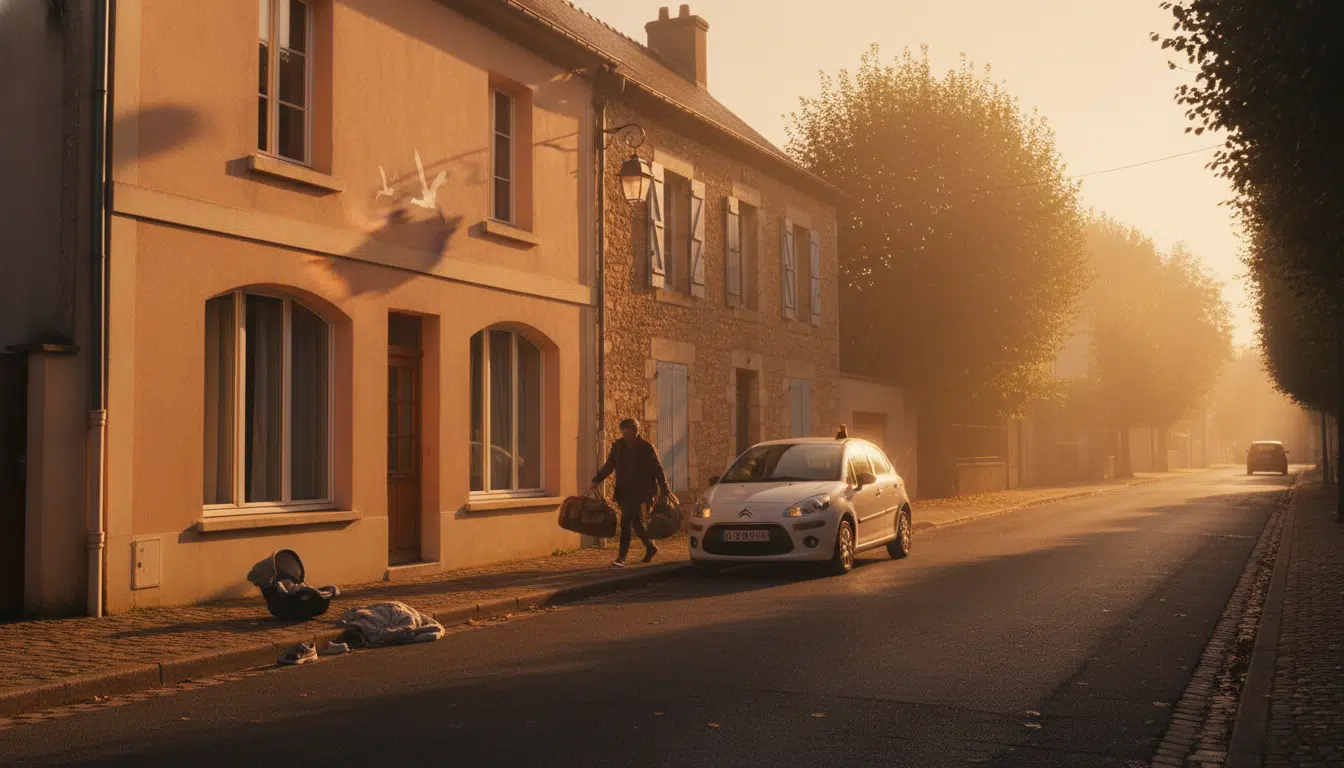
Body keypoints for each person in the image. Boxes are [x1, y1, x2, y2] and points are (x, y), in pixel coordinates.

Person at [591, 418, 670, 567]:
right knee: (636, 523)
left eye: (628, 432)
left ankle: (621, 557)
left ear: (635, 431)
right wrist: (597, 479)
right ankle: (650, 547)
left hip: (641, 491)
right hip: (623, 491)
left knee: (626, 522)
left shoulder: (646, 447)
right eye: (623, 432)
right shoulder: (618, 446)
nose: (625, 435)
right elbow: (610, 465)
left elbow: (657, 469)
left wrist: (665, 489)